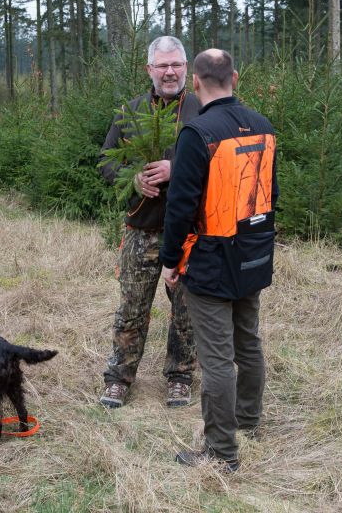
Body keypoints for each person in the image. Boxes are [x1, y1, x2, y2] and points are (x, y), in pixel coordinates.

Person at [159, 48, 278, 472]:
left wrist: (170, 262)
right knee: (248, 343)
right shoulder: (264, 126)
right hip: (255, 255)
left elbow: (180, 206)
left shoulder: (198, 133)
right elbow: (272, 195)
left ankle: (222, 452)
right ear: (236, 78)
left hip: (211, 261)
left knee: (216, 359)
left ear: (195, 82)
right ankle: (248, 422)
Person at [98, 36, 201, 409]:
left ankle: (180, 376)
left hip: (191, 234)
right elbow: (106, 161)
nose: (170, 72)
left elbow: (219, 163)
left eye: (176, 65)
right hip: (142, 229)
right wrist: (133, 178)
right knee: (131, 308)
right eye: (162, 65)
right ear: (149, 70)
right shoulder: (130, 111)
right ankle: (119, 378)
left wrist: (179, 168)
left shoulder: (202, 112)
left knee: (187, 311)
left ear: (186, 68)